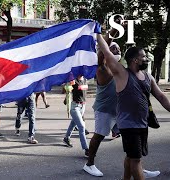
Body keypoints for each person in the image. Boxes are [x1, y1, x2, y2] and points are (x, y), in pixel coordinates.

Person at [97, 34, 170, 180]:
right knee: (136, 160)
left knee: (131, 156)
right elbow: (106, 52)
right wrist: (98, 34)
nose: (146, 59)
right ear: (135, 60)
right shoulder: (122, 73)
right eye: (144, 57)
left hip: (142, 123)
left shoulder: (148, 77)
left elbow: (161, 96)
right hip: (128, 125)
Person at [83, 28, 122, 177]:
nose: (116, 49)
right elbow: (101, 54)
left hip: (119, 111)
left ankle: (135, 164)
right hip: (104, 110)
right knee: (99, 136)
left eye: (118, 48)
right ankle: (89, 164)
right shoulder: (102, 68)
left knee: (132, 136)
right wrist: (113, 31)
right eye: (112, 48)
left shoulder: (119, 69)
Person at [63, 76, 89, 157]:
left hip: (83, 106)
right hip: (75, 107)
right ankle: (86, 149)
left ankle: (66, 138)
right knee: (81, 127)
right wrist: (68, 86)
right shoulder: (73, 80)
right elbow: (65, 89)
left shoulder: (85, 79)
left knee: (73, 123)